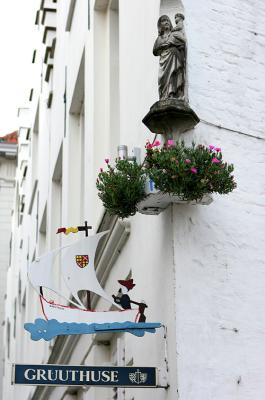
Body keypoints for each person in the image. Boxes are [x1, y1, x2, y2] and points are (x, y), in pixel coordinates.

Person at [153, 14, 186, 100]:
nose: (166, 22)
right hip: (164, 61)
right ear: (160, 25)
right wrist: (163, 46)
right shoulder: (159, 38)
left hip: (174, 58)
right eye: (163, 21)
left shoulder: (174, 34)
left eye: (167, 20)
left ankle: (174, 94)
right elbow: (155, 51)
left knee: (174, 75)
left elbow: (182, 43)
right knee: (163, 80)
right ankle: (165, 95)